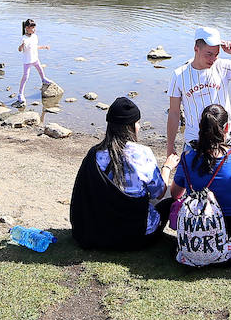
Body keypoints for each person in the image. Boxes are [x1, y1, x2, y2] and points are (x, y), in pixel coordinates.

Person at [71, 97, 173, 250]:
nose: (139, 126)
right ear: (130, 127)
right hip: (135, 238)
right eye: (137, 123)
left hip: (97, 234)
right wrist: (167, 168)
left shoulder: (94, 154)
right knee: (170, 197)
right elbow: (159, 192)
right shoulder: (142, 153)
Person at [170, 104, 231, 264]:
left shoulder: (188, 157)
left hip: (200, 234)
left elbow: (175, 194)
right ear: (226, 129)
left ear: (200, 128)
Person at [165, 25, 231, 160]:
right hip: (195, 141)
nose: (213, 59)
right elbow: (174, 113)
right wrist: (170, 146)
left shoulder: (222, 66)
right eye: (209, 54)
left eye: (216, 54)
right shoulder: (179, 75)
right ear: (196, 49)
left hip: (225, 140)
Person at [15, 18, 53, 104]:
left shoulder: (35, 36)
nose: (34, 29)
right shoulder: (23, 38)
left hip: (35, 58)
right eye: (32, 28)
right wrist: (21, 46)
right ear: (27, 28)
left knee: (40, 70)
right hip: (27, 60)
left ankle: (43, 79)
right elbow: (19, 50)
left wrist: (43, 47)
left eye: (34, 28)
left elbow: (34, 46)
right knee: (25, 77)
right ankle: (20, 94)